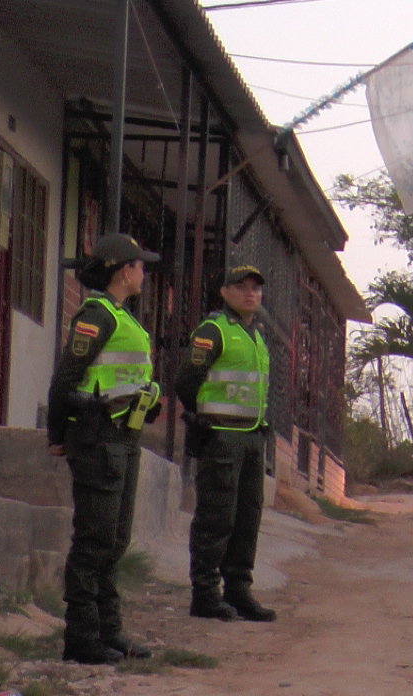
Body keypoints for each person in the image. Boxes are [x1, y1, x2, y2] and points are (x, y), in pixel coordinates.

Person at [47, 233, 164, 664]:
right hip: (98, 441)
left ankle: (109, 631)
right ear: (123, 271)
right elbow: (65, 380)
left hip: (123, 438)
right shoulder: (97, 315)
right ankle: (81, 637)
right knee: (94, 542)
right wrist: (57, 435)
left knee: (114, 541)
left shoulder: (122, 317)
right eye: (140, 265)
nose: (144, 273)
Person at [174, 264, 278, 624]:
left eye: (256, 287)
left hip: (252, 438)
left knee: (247, 518)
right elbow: (187, 381)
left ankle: (238, 590)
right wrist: (204, 420)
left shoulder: (256, 336)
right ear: (225, 292)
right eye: (241, 286)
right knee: (216, 518)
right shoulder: (214, 330)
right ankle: (205, 594)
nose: (250, 293)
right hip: (222, 437)